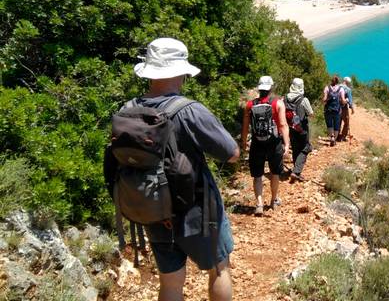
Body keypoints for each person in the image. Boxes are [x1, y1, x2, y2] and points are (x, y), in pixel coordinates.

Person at [130, 38, 238, 301]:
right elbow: (232, 153)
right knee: (219, 269)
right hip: (198, 211)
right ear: (181, 71)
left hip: (152, 209)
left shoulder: (129, 110)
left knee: (170, 283)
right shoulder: (190, 111)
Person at [240, 75, 290, 216]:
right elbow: (283, 125)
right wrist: (286, 144)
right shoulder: (278, 103)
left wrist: (244, 142)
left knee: (257, 175)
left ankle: (259, 204)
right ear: (271, 88)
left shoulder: (250, 105)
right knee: (275, 173)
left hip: (257, 143)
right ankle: (273, 201)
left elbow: (245, 127)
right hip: (274, 142)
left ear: (259, 88)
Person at [285, 78, 314, 181]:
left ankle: (295, 169)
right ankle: (296, 172)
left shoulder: (285, 98)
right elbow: (311, 113)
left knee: (296, 148)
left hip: (290, 128)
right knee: (306, 148)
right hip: (302, 129)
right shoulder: (303, 100)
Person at [322, 75, 347, 146]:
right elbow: (343, 101)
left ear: (331, 81)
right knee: (336, 125)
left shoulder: (327, 88)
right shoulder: (341, 89)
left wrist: (324, 100)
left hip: (328, 110)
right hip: (337, 110)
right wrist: (346, 101)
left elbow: (324, 99)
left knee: (329, 124)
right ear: (338, 81)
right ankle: (334, 139)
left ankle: (332, 136)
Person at [338, 76, 355, 142]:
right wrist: (352, 109)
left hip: (336, 107)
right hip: (343, 108)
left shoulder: (337, 86)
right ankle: (343, 136)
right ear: (348, 83)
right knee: (346, 122)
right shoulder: (348, 89)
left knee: (338, 122)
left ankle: (336, 135)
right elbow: (350, 101)